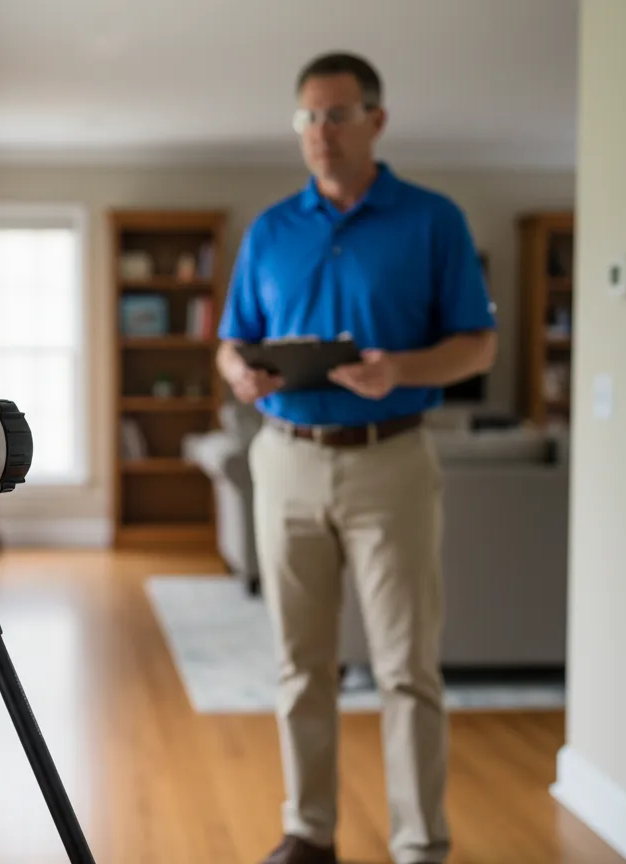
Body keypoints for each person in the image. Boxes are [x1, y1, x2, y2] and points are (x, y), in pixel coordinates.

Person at [216, 52, 498, 864]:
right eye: (307, 117)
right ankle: (309, 831)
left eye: (337, 115)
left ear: (376, 119)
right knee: (300, 664)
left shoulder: (433, 219)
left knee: (406, 668)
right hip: (286, 459)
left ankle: (420, 844)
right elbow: (232, 339)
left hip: (392, 463)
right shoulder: (270, 229)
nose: (320, 133)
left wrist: (399, 370)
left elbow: (478, 346)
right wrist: (238, 368)